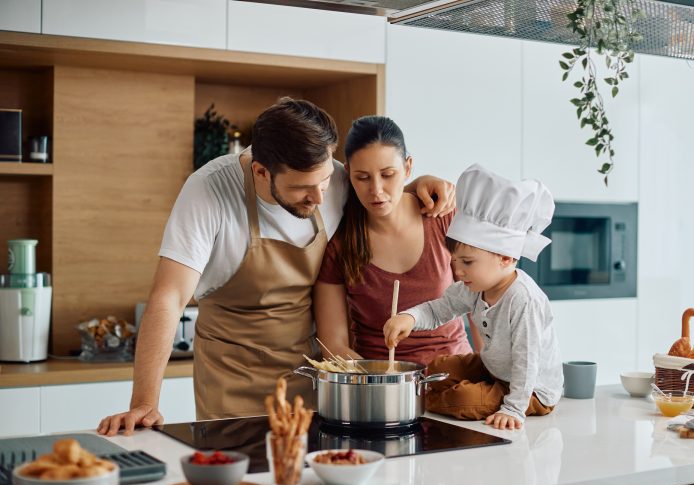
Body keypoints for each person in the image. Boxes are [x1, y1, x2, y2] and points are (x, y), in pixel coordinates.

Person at [97, 98, 456, 436]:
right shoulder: (209, 192)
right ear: (261, 171)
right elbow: (169, 297)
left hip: (311, 379)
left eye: (326, 181)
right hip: (232, 384)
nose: (318, 199)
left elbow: (380, 191)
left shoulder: (333, 179)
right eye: (302, 189)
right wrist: (144, 402)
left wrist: (419, 185)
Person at [383, 164, 563, 430]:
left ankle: (426, 400)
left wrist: (513, 409)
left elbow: (528, 360)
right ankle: (436, 394)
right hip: (496, 370)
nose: (457, 270)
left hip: (531, 389)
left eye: (467, 262)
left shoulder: (523, 299)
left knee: (462, 399)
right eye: (455, 261)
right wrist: (409, 318)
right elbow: (439, 309)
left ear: (505, 257)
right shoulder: (474, 287)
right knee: (436, 368)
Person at [314, 116, 472, 365]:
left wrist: (490, 374)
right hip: (382, 381)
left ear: (408, 168)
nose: (376, 190)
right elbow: (333, 346)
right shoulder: (340, 247)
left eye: (388, 174)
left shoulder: (443, 218)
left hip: (455, 375)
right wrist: (375, 383)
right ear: (348, 174)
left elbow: (482, 300)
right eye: (362, 178)